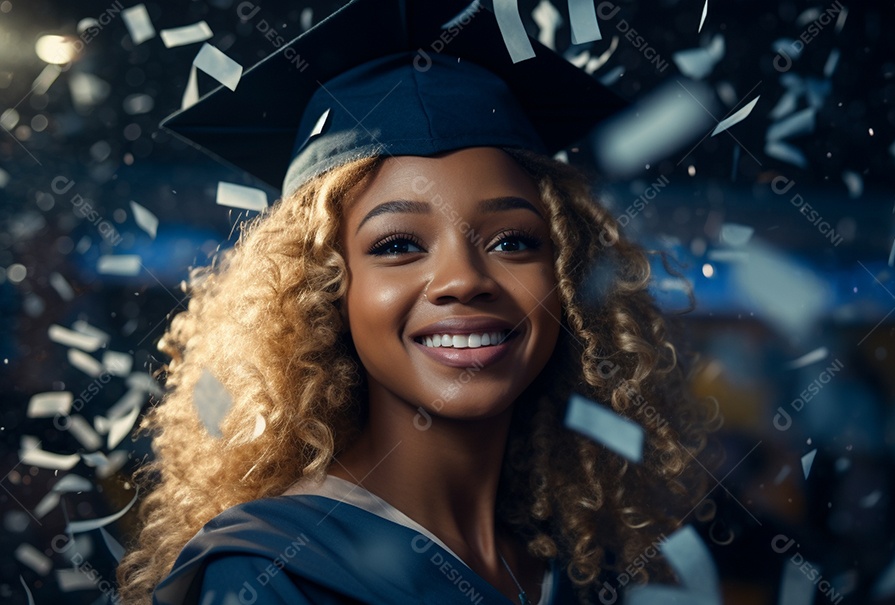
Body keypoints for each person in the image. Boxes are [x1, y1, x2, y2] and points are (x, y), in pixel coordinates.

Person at [116, 1, 721, 603]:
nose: (463, 279)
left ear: (567, 273)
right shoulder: (271, 575)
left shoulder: (582, 570)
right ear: (322, 291)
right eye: (399, 244)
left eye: (513, 241)